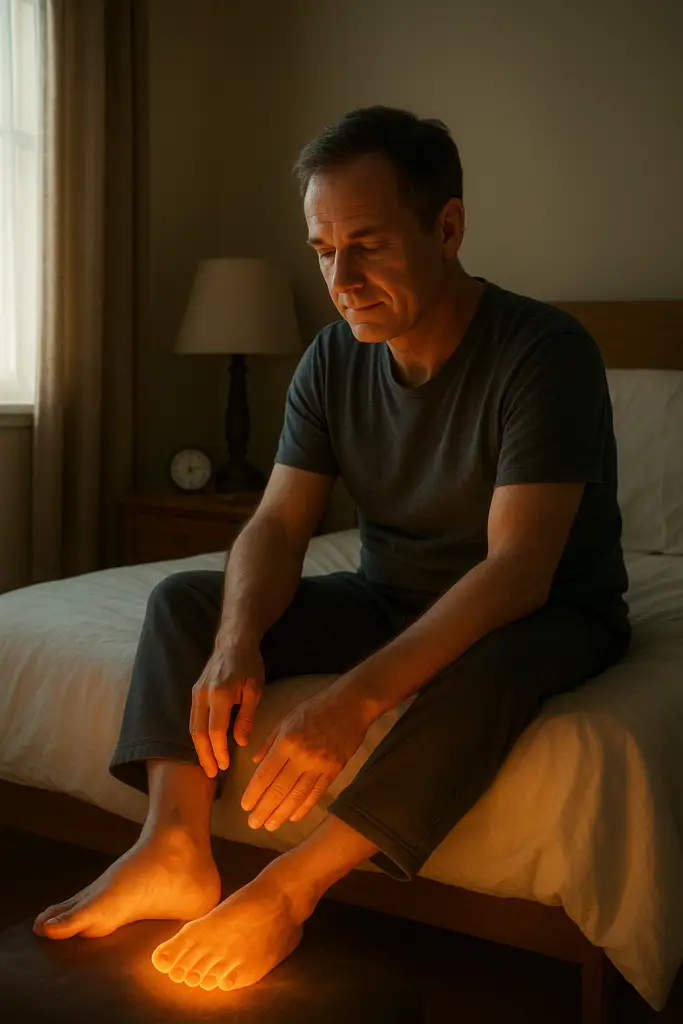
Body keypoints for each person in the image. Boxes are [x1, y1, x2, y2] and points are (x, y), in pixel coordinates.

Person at [33, 105, 631, 994]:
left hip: (547, 613)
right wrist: (237, 642)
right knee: (189, 603)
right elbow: (277, 524)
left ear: (448, 227)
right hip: (390, 593)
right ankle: (171, 845)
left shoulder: (545, 353)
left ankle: (288, 889)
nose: (340, 276)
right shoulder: (330, 359)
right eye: (322, 250)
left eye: (368, 244)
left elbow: (515, 573)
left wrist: (351, 702)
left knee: (489, 667)